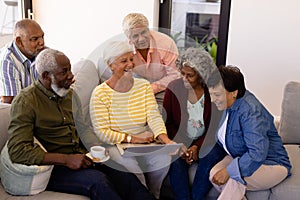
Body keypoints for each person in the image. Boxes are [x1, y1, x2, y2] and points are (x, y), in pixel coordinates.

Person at [7, 48, 155, 200]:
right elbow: (18, 151)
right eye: (64, 72)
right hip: (54, 167)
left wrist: (98, 149)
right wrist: (66, 159)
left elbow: (83, 129)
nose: (71, 76)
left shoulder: (70, 95)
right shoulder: (26, 102)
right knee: (98, 182)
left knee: (124, 175)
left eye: (70, 70)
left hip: (82, 157)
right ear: (46, 76)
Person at [90, 41, 174, 199]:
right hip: (118, 144)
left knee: (163, 159)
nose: (130, 64)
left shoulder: (143, 86)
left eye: (131, 59)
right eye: (123, 61)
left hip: (145, 139)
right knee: (131, 168)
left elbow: (153, 115)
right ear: (111, 65)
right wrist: (133, 138)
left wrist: (164, 138)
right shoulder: (100, 93)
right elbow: (102, 132)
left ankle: (153, 194)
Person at [205, 65, 291, 200]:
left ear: (234, 92)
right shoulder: (226, 104)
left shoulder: (250, 111)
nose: (212, 99)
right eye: (211, 94)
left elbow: (257, 153)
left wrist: (229, 171)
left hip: (270, 163)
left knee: (234, 179)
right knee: (214, 174)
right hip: (240, 155)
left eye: (217, 95)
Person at [162, 47, 217, 200]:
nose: (185, 79)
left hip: (207, 142)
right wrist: (182, 144)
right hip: (181, 141)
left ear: (201, 75)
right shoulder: (174, 87)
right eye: (183, 74)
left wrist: (197, 146)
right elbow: (168, 122)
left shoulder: (212, 91)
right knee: (175, 161)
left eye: (190, 75)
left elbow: (215, 126)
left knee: (208, 158)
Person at [121, 13, 181, 109]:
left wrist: (151, 89)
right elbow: (122, 74)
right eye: (135, 36)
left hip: (165, 86)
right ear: (129, 38)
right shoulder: (124, 49)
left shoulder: (166, 43)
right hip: (139, 85)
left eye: (144, 32)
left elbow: (175, 74)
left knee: (164, 112)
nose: (141, 39)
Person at [0, 19, 45, 103]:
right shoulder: (7, 61)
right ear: (19, 41)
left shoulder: (42, 52)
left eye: (42, 36)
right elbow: (12, 103)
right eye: (35, 39)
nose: (42, 42)